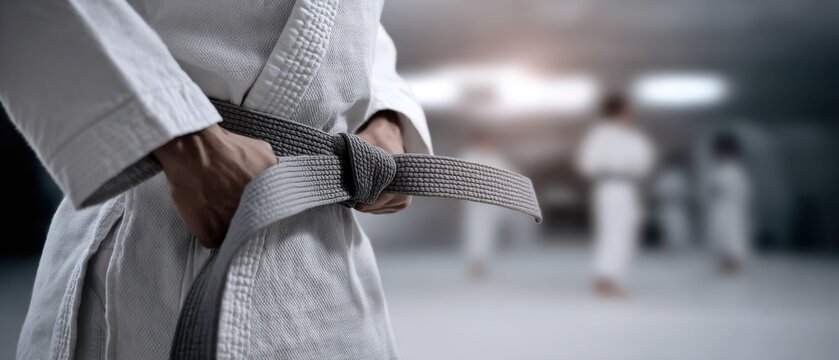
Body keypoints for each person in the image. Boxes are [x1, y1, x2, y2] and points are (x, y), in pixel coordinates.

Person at [1, 1, 432, 358]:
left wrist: (386, 117)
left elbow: (354, 23)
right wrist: (185, 141)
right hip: (159, 236)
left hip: (328, 264)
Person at [576, 93, 656, 298]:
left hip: (628, 187)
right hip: (609, 185)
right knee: (613, 232)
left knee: (625, 232)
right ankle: (606, 279)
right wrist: (611, 167)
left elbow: (645, 161)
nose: (631, 114)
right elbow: (586, 163)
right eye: (628, 110)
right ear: (619, 111)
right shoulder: (599, 134)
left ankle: (609, 277)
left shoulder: (632, 136)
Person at [460, 128, 513, 279]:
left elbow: (505, 177)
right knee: (474, 232)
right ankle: (475, 263)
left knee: (488, 234)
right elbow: (461, 178)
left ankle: (483, 262)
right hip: (474, 203)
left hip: (490, 203)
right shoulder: (468, 156)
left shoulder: (495, 158)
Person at [704, 132, 752, 275]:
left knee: (733, 234)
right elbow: (711, 189)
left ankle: (734, 262)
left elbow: (740, 190)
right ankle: (725, 261)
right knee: (721, 234)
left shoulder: (735, 170)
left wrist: (719, 190)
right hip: (720, 207)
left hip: (731, 208)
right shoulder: (718, 169)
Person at [652, 163, 693, 250]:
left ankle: (677, 246)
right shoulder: (664, 178)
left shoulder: (680, 178)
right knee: (668, 227)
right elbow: (659, 193)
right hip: (668, 207)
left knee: (678, 228)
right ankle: (669, 246)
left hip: (677, 207)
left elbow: (685, 192)